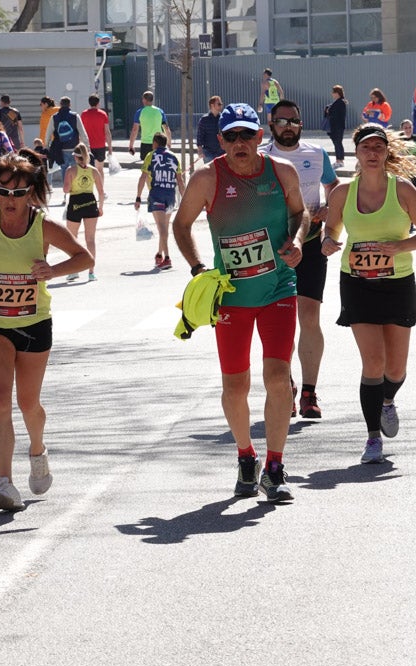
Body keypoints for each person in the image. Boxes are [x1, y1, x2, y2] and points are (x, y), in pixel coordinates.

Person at [172, 102, 307, 503]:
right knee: (235, 385)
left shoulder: (281, 172)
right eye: (231, 136)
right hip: (231, 296)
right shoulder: (207, 178)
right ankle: (246, 456)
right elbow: (181, 225)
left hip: (278, 290)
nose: (239, 143)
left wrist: (297, 241)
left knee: (278, 378)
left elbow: (301, 213)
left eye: (246, 134)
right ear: (221, 141)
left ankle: (275, 466)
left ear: (259, 137)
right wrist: (198, 267)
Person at [0, 151, 93, 512]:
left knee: (28, 402)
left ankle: (38, 448)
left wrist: (52, 271)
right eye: (3, 192)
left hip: (33, 322)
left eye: (18, 193)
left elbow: (85, 258)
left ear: (31, 192)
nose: (10, 201)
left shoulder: (43, 226)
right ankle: (4, 482)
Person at [320, 124, 416, 464]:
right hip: (356, 282)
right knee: (373, 361)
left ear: (387, 153)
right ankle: (372, 438)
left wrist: (399, 247)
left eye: (378, 148)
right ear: (356, 153)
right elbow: (332, 228)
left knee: (395, 369)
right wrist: (328, 240)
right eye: (366, 147)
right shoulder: (342, 193)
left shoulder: (403, 191)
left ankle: (387, 401)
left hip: (398, 282)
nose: (372, 153)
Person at [259, 99, 339, 420]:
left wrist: (330, 209)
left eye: (293, 121)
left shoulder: (316, 154)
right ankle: (285, 385)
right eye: (281, 121)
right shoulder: (263, 157)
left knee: (309, 318)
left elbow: (334, 189)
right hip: (275, 247)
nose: (288, 126)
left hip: (311, 242)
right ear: (271, 125)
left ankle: (309, 391)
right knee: (279, 323)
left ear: (301, 124)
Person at [134, 132, 184, 271]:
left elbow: (143, 177)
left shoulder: (151, 155)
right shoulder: (174, 157)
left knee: (162, 228)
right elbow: (180, 181)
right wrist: (184, 199)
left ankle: (167, 258)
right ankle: (159, 254)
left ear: (155, 143)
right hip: (170, 196)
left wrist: (138, 197)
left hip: (157, 194)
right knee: (164, 227)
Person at [62, 143, 105, 282]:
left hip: (75, 202)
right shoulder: (94, 171)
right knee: (90, 239)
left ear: (75, 157)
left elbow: (66, 189)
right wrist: (101, 207)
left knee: (72, 239)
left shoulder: (71, 170)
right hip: (90, 201)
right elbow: (101, 191)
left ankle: (74, 271)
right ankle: (91, 272)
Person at [46, 96, 89, 182]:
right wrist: (87, 147)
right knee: (75, 169)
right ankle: (75, 187)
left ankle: (66, 189)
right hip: (74, 148)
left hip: (60, 149)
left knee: (64, 169)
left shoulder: (54, 117)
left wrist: (47, 146)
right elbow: (82, 133)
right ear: (70, 105)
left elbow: (48, 134)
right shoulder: (75, 116)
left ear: (60, 104)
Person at [128, 90, 170, 160]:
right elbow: (166, 129)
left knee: (146, 167)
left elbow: (135, 130)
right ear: (152, 100)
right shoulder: (160, 111)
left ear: (144, 100)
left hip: (146, 143)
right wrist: (169, 143)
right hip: (159, 142)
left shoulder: (139, 112)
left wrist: (131, 145)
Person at [79, 94, 112, 176]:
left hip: (88, 146)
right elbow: (107, 132)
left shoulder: (84, 114)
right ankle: (101, 187)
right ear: (98, 103)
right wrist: (110, 148)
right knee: (100, 169)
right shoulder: (103, 114)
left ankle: (90, 187)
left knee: (87, 168)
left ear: (89, 103)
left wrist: (79, 144)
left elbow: (80, 131)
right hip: (100, 145)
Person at [195, 95, 225, 166]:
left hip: (221, 152)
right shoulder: (204, 120)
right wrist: (200, 151)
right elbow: (200, 136)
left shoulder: (223, 119)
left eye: (221, 104)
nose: (221, 106)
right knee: (210, 173)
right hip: (208, 152)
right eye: (219, 104)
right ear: (212, 105)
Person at [398, 119, 416, 189]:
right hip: (404, 171)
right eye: (405, 128)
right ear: (401, 129)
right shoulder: (398, 140)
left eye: (410, 127)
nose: (408, 130)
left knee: (415, 193)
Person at [324, 85, 348, 167]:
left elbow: (337, 114)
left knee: (338, 143)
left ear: (337, 93)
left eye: (333, 92)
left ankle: (340, 160)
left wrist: (329, 111)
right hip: (335, 126)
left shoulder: (340, 102)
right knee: (337, 143)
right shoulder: (337, 102)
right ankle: (339, 159)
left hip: (337, 127)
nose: (332, 94)